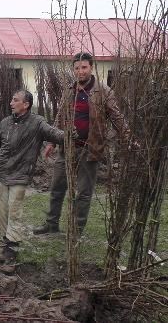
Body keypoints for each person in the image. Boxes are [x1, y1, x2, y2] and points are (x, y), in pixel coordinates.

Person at [33, 52, 132, 235]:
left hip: (89, 149)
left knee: (84, 193)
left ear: (91, 67)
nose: (80, 72)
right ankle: (51, 224)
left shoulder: (103, 91)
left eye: (84, 67)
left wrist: (128, 138)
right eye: (77, 68)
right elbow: (60, 117)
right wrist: (52, 143)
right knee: (57, 188)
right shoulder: (69, 90)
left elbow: (117, 117)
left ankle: (76, 231)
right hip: (68, 147)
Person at [0, 90, 64, 262]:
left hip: (20, 173)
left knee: (14, 209)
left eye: (15, 100)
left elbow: (53, 133)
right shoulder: (5, 122)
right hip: (1, 173)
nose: (11, 103)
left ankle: (12, 245)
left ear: (26, 104)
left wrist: (70, 135)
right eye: (12, 99)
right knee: (2, 210)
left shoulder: (37, 123)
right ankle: (5, 240)